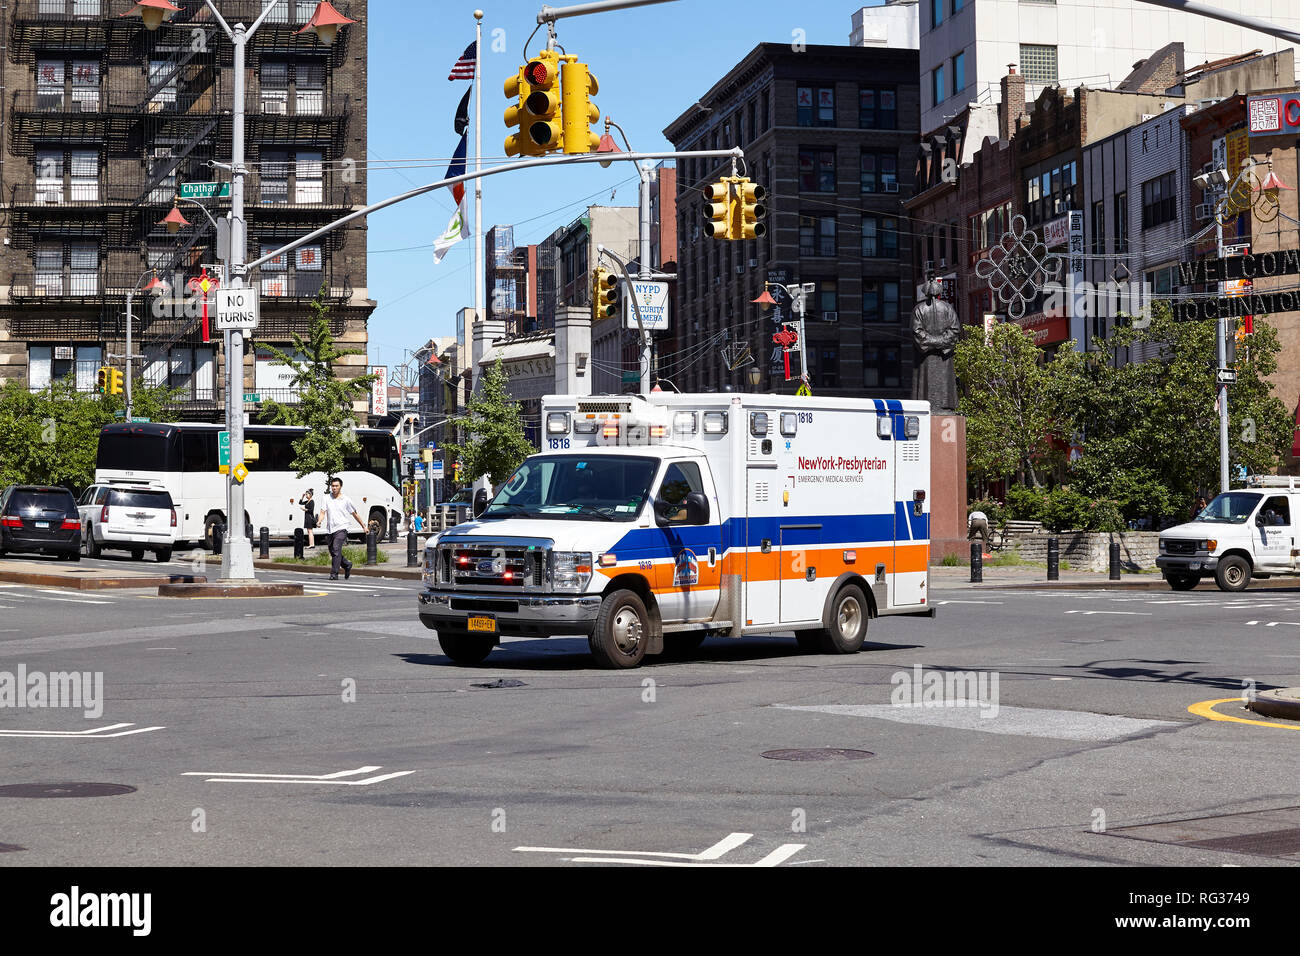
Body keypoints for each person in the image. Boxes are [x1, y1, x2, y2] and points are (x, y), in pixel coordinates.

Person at [319, 476, 366, 580]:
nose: (334, 488)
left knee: (336, 549)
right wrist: (319, 521)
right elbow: (323, 512)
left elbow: (355, 514)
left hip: (342, 528)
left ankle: (334, 574)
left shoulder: (346, 500)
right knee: (333, 552)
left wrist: (363, 526)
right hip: (330, 529)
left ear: (340, 487)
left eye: (336, 486)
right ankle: (346, 564)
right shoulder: (326, 498)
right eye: (333, 486)